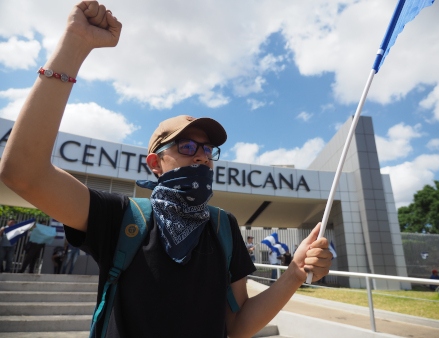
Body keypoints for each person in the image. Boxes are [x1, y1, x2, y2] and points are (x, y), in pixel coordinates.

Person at [0, 2, 332, 337]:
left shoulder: (224, 228)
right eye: (186, 146)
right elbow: (23, 172)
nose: (201, 156)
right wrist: (74, 44)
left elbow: (239, 326)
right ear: (155, 163)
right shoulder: (120, 217)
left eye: (207, 149)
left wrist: (294, 273)